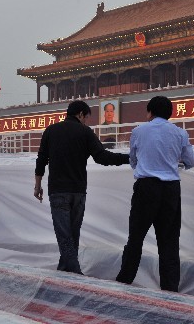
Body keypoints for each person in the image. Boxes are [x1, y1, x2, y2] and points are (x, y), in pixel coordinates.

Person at [34, 100, 130, 275]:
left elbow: (41, 159)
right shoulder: (85, 132)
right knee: (72, 234)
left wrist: (37, 185)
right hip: (78, 191)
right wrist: (129, 158)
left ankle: (73, 271)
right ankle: (68, 271)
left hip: (57, 190)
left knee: (64, 235)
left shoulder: (51, 131)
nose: (86, 121)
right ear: (80, 114)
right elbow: (102, 157)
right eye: (86, 117)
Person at [116, 96, 194, 292]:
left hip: (146, 188)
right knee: (169, 241)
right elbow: (192, 161)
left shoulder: (138, 131)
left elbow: (133, 160)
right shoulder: (180, 133)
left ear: (149, 112)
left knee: (136, 237)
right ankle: (170, 289)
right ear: (170, 113)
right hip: (170, 190)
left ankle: (124, 281)